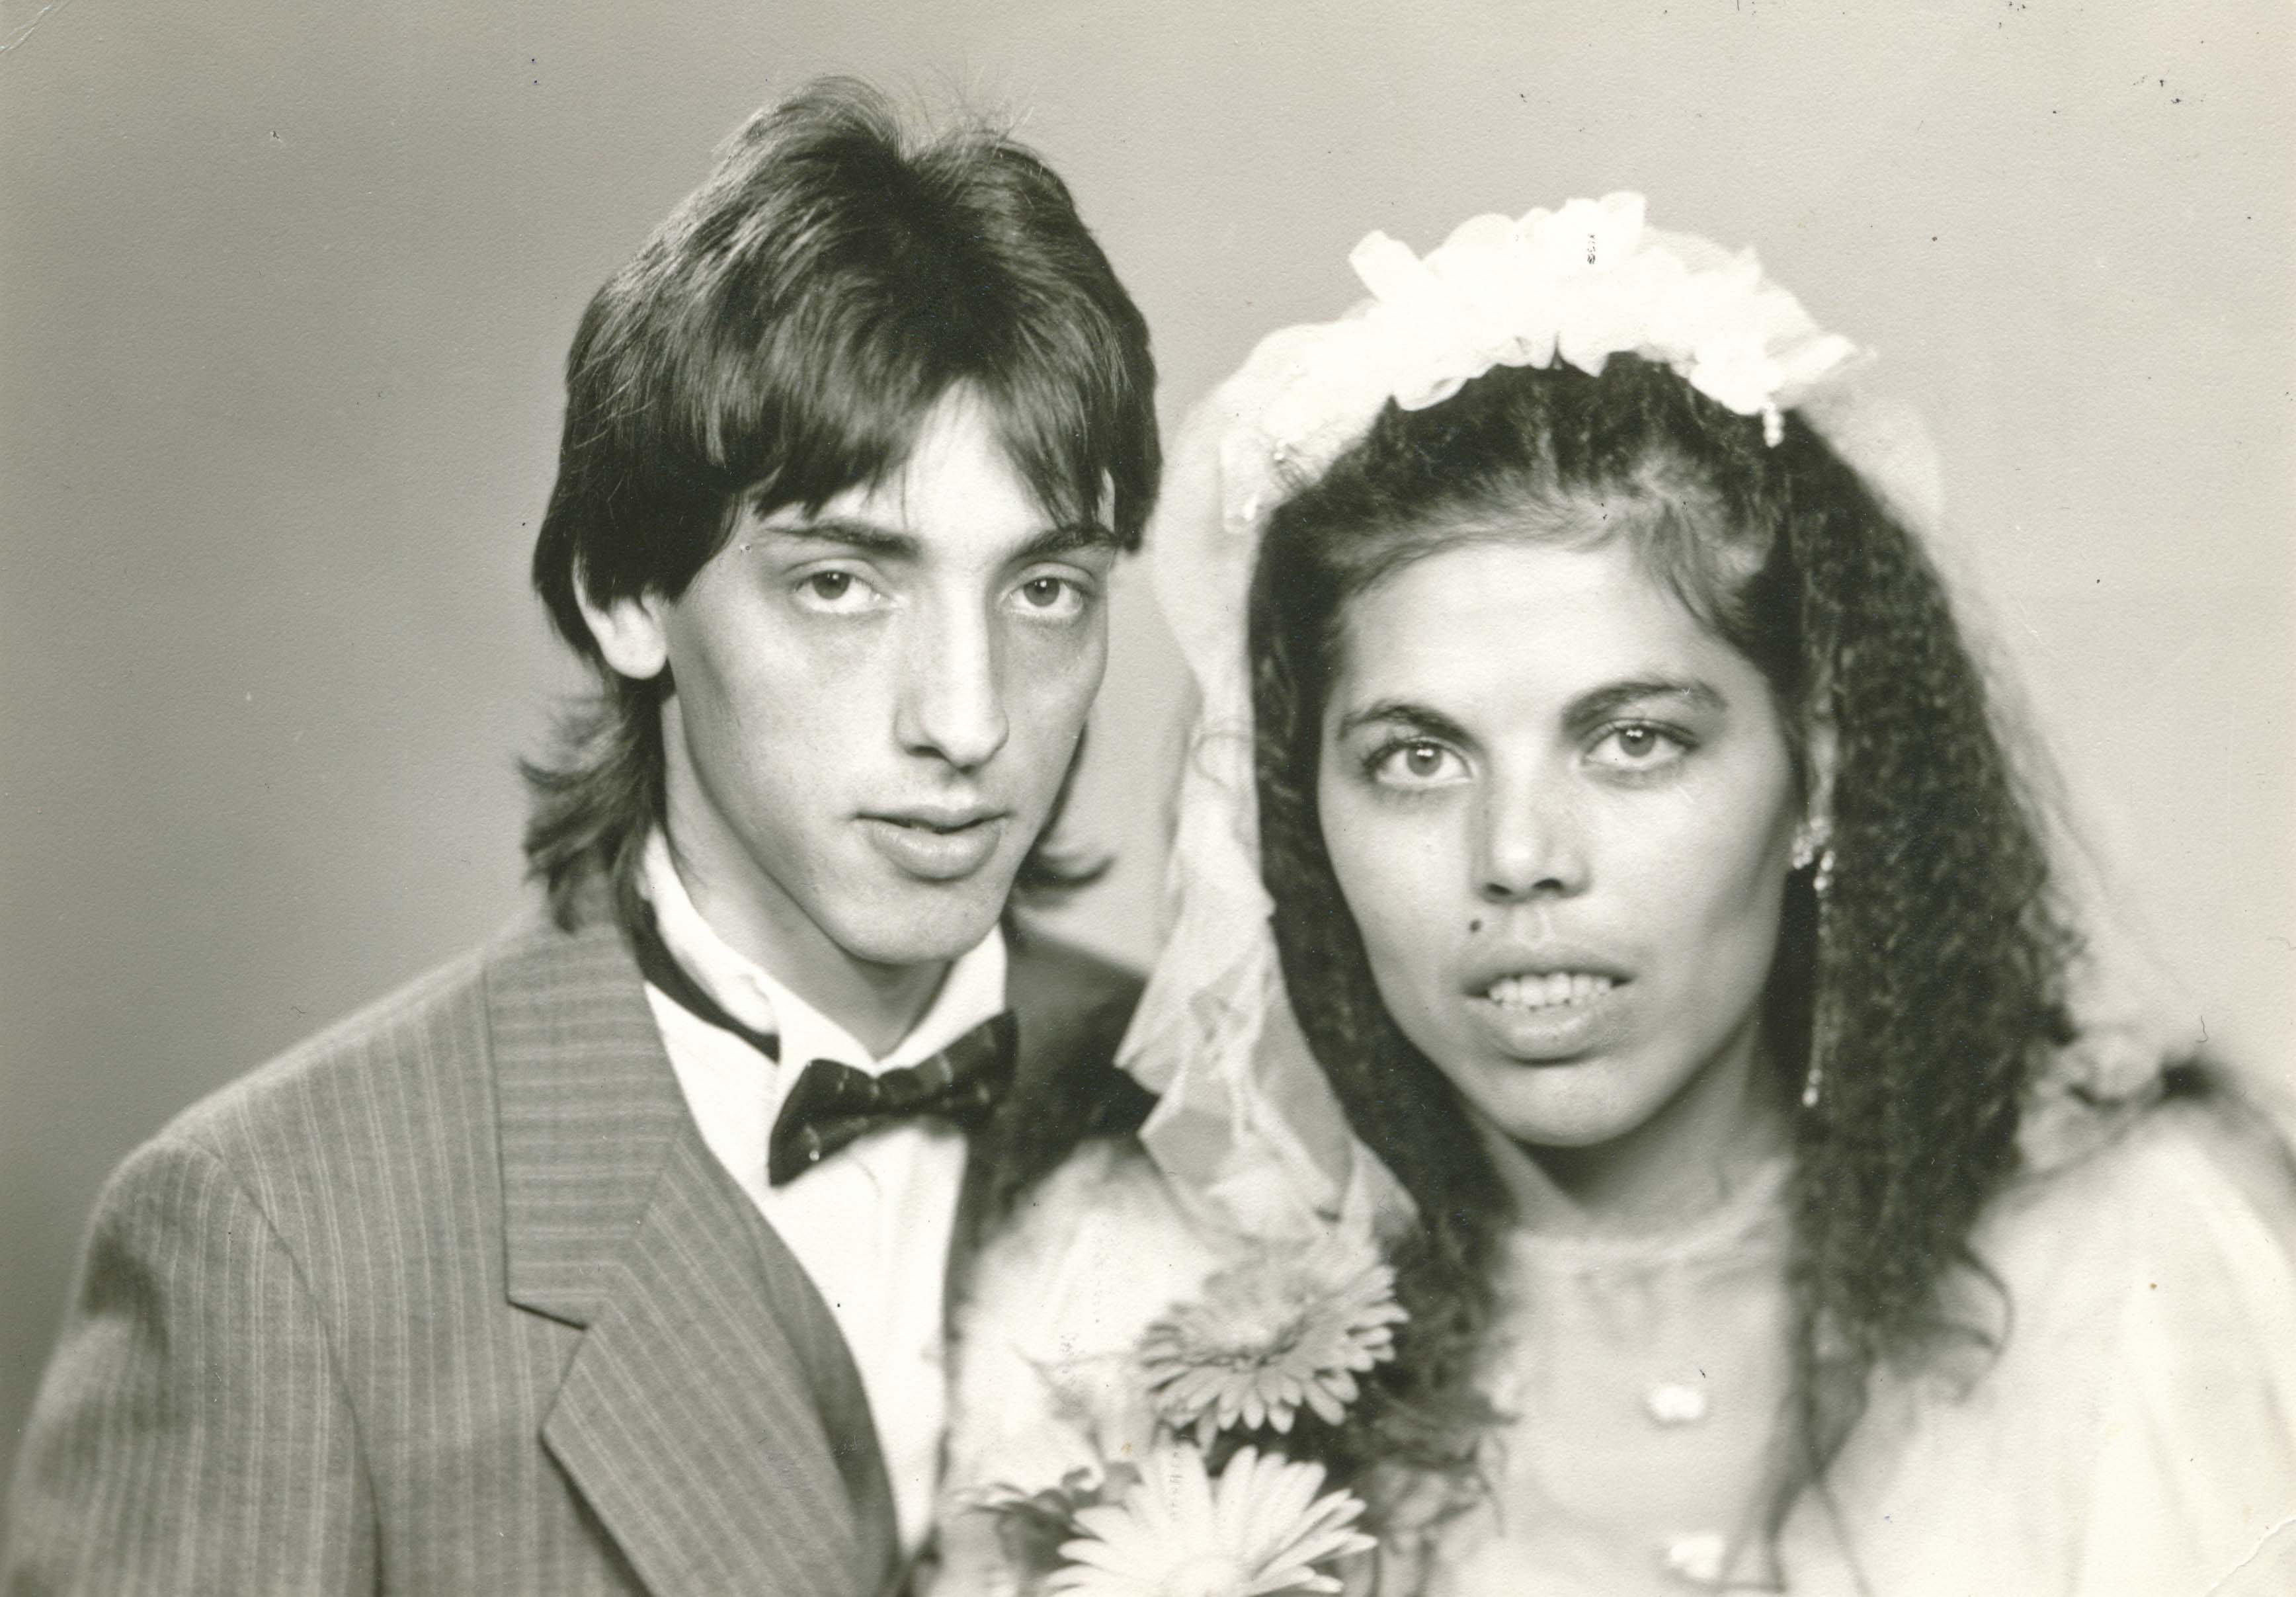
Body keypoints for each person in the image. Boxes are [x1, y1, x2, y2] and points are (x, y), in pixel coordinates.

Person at [930, 196, 2296, 1596]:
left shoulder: (2128, 1263)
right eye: (1416, 758)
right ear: (1303, 815)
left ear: (1817, 776)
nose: (1518, 854)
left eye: (1632, 740)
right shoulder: (1123, 1298)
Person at [7, 79, 1159, 1596]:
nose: (967, 716)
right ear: (627, 595)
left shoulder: (1227, 1116)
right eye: (840, 582)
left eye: (1045, 589)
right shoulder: (275, 1236)